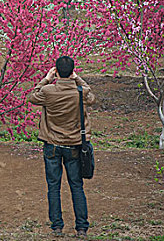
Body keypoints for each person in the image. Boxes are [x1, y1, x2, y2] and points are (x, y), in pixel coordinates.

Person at [27, 56, 95, 238]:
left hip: (53, 145)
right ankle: (81, 227)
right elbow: (92, 96)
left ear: (56, 71)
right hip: (74, 145)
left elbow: (32, 96)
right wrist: (77, 78)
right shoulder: (80, 91)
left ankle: (57, 226)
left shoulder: (48, 91)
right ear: (72, 71)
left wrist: (47, 79)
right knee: (76, 186)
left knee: (53, 186)